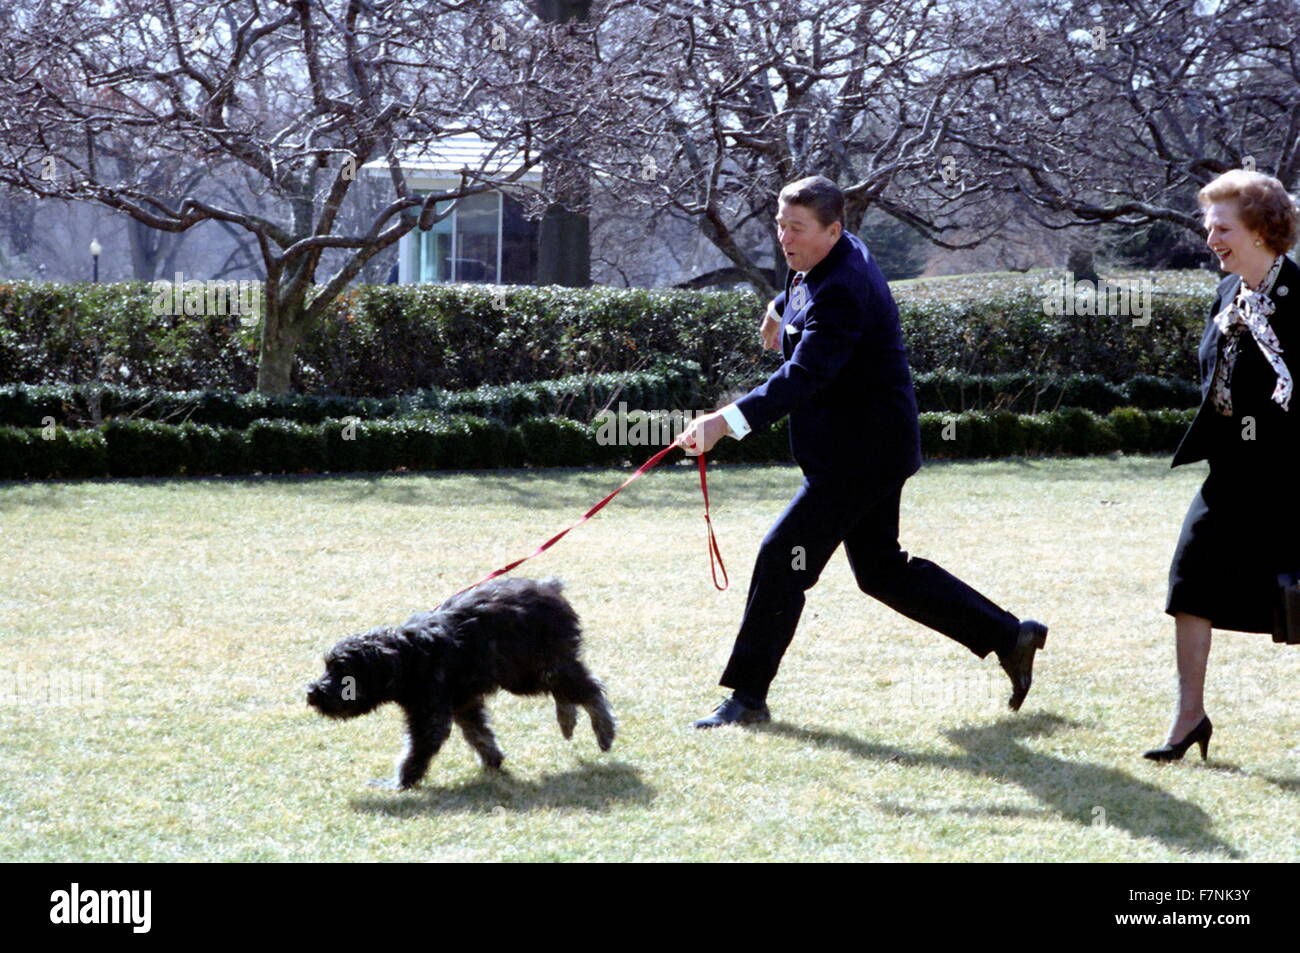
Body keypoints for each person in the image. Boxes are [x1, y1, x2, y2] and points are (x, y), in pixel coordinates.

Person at [676, 175, 1049, 729]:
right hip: (861, 450)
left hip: (861, 456)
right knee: (881, 571)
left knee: (782, 559)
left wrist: (724, 422)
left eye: (796, 228)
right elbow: (802, 286)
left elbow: (805, 373)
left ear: (834, 229)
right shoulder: (819, 254)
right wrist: (780, 306)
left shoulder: (846, 285)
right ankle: (1007, 635)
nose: (784, 237)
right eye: (780, 224)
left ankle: (747, 698)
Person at [1148, 169, 1300, 762]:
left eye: (1222, 227)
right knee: (1189, 582)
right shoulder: (1226, 295)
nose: (1211, 238)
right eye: (1209, 226)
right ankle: (1189, 718)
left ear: (1262, 230)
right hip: (1232, 474)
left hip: (1291, 477)